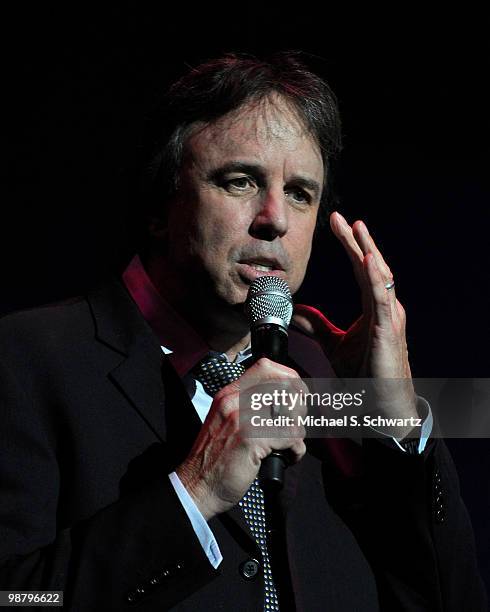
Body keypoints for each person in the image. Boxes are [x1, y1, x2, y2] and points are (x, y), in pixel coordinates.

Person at [0, 52, 486, 611]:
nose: (275, 218)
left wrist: (393, 417)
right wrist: (194, 492)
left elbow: (448, 599)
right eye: (240, 181)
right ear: (162, 206)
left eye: (302, 193)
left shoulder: (328, 383)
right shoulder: (28, 359)